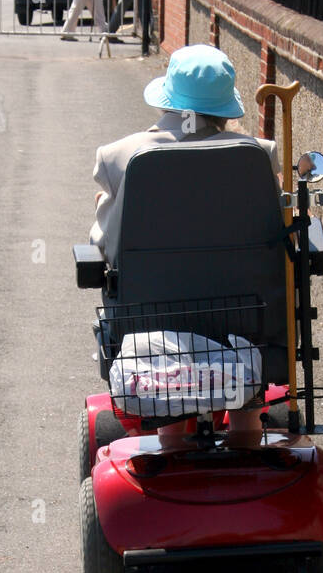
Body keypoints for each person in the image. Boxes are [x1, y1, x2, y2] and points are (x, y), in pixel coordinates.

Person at [89, 45, 280, 445]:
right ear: (225, 107)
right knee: (242, 319)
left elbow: (106, 250)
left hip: (156, 335)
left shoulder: (120, 157)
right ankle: (246, 433)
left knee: (162, 320)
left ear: (169, 99)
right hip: (246, 329)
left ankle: (173, 441)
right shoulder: (259, 158)